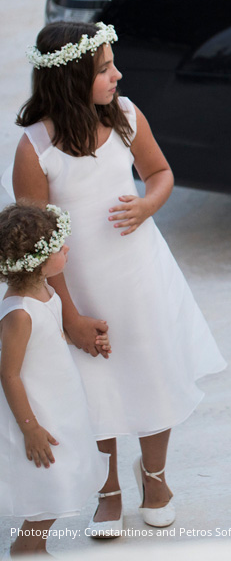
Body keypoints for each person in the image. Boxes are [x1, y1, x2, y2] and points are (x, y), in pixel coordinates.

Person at [12, 22, 226, 536]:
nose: (117, 75)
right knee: (96, 389)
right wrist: (70, 317)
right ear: (70, 78)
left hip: (140, 276)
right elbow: (37, 245)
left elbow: (160, 173)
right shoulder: (35, 149)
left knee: (153, 374)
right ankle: (107, 491)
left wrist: (148, 205)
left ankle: (155, 477)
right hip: (79, 288)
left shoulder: (127, 116)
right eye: (104, 68)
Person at [1, 202, 110, 555]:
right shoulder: (19, 313)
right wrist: (30, 428)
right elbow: (9, 373)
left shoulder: (46, 291)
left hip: (59, 402)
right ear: (37, 260)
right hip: (37, 412)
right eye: (59, 247)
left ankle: (35, 548)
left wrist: (88, 341)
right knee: (49, 483)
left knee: (60, 478)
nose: (67, 249)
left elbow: (52, 338)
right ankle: (26, 549)